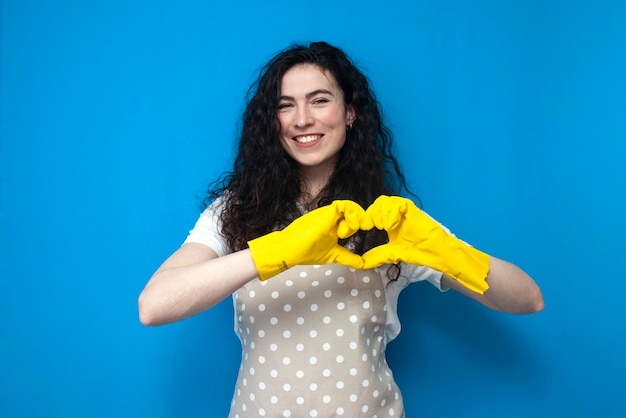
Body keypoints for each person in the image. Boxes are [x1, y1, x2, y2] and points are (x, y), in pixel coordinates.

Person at [138, 41, 544, 417]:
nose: (302, 119)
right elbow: (154, 306)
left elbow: (527, 299)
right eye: (285, 105)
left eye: (319, 100)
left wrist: (447, 252)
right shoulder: (237, 210)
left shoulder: (387, 221)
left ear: (350, 112)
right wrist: (275, 251)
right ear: (271, 121)